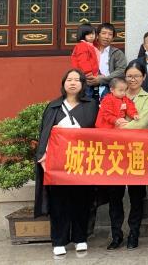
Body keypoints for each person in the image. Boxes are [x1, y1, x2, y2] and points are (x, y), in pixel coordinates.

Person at [35, 69, 99, 257]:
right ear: (63, 83)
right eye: (69, 80)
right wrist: (43, 155)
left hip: (82, 161)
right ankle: (59, 240)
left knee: (82, 200)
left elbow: (96, 132)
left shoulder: (91, 105)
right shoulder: (54, 106)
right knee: (58, 202)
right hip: (58, 164)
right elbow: (44, 134)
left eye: (77, 80)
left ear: (82, 84)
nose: (72, 83)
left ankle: (80, 238)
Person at [106, 61, 148, 250]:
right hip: (115, 152)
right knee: (115, 196)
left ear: (143, 77)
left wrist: (119, 127)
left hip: (137, 151)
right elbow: (104, 117)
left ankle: (134, 233)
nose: (132, 79)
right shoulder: (113, 94)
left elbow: (142, 123)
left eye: (137, 76)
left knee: (136, 196)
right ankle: (116, 235)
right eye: (129, 76)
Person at [94, 23, 127, 99]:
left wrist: (103, 79)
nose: (106, 37)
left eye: (110, 34)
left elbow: (121, 70)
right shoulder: (91, 51)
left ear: (113, 38)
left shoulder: (117, 53)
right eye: (104, 33)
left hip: (111, 89)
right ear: (97, 35)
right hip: (92, 87)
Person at [70, 23, 100, 98]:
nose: (91, 36)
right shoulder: (82, 46)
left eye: (93, 33)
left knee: (92, 95)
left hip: (91, 75)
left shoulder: (91, 45)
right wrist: (88, 73)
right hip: (86, 76)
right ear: (82, 35)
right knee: (87, 95)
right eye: (88, 34)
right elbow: (83, 61)